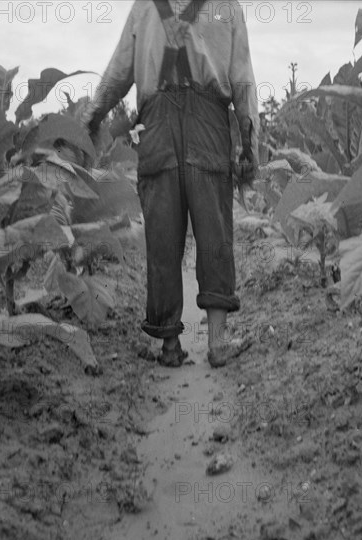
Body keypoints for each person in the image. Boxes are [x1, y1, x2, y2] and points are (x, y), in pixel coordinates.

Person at [81, 0, 259, 367]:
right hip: (208, 125)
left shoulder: (144, 6)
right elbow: (242, 78)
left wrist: (91, 118)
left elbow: (118, 73)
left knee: (162, 234)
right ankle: (217, 343)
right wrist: (248, 142)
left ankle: (170, 347)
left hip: (157, 126)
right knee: (215, 234)